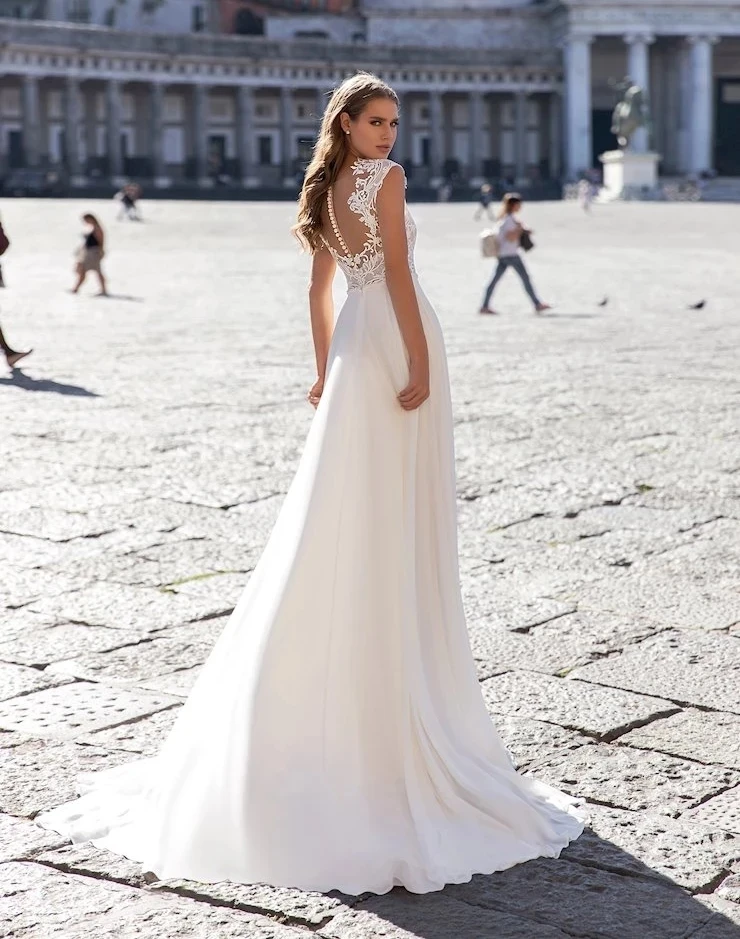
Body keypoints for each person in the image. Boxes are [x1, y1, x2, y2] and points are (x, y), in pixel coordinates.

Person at [38, 72, 584, 895]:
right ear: (347, 122)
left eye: (394, 122)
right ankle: (394, 687)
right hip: (394, 339)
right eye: (376, 121)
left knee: (340, 510)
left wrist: (325, 370)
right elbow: (396, 274)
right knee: (392, 513)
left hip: (355, 348)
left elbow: (319, 290)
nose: (388, 135)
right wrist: (422, 359)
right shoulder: (385, 181)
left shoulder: (323, 187)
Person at [479, 192, 550, 315]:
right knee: (525, 279)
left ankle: (484, 306)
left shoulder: (505, 218)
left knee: (494, 281)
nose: (520, 207)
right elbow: (510, 237)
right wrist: (520, 230)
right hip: (511, 254)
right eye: (519, 204)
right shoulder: (509, 220)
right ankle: (537, 304)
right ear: (513, 205)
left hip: (503, 255)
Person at [72, 214, 108, 296]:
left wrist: (101, 251)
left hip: (93, 252)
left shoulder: (97, 228)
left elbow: (101, 241)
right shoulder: (94, 228)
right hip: (89, 252)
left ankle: (76, 289)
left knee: (87, 270)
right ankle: (76, 288)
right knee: (94, 271)